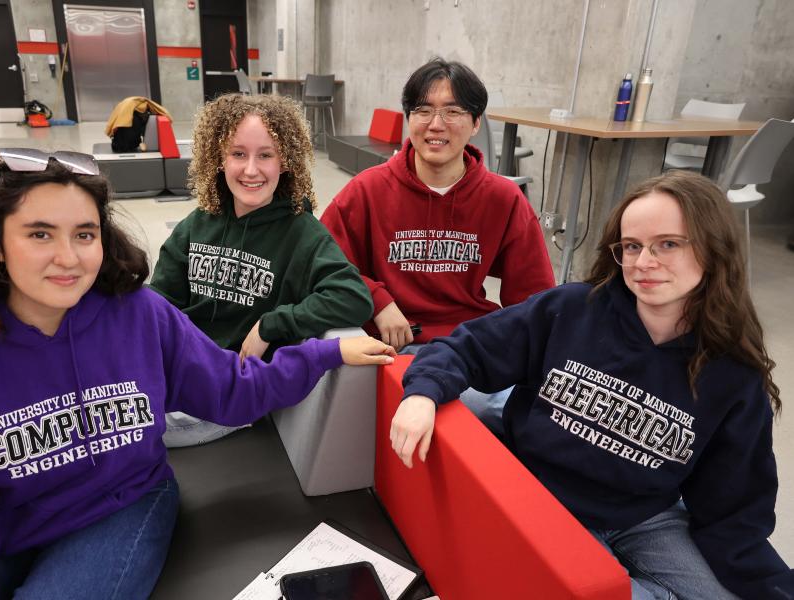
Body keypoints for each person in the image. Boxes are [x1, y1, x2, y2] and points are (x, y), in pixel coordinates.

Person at [0, 149, 395, 599]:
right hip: (3, 524)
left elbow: (232, 389)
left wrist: (324, 354)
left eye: (84, 234)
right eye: (40, 234)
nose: (68, 258)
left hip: (119, 507)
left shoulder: (138, 315)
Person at [390, 171, 792, 599]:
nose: (643, 262)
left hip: (645, 515)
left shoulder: (733, 373)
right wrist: (421, 393)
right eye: (632, 246)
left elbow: (735, 507)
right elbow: (468, 348)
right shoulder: (571, 308)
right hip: (547, 501)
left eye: (668, 244)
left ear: (714, 249)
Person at [150, 93, 373, 446]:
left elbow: (352, 297)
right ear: (218, 159)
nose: (251, 170)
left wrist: (272, 324)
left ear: (285, 161)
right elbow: (159, 303)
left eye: (265, 155)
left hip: (228, 393)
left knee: (117, 431)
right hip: (180, 373)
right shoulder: (197, 224)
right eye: (238, 154)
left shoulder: (303, 234)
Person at [320, 57, 554, 351]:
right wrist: (377, 302)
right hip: (391, 345)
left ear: (476, 123)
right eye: (423, 111)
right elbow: (322, 263)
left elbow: (534, 296)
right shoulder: (368, 189)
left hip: (468, 346)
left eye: (453, 111)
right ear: (409, 119)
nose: (436, 125)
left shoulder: (503, 198)